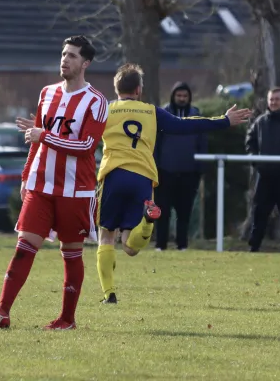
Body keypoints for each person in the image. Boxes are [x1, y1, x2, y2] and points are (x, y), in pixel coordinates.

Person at [0, 35, 108, 330]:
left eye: (73, 56)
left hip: (76, 189)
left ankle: (67, 319)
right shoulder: (47, 93)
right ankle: (2, 311)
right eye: (63, 54)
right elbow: (36, 142)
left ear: (86, 63)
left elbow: (87, 145)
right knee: (24, 246)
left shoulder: (97, 101)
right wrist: (27, 175)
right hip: (40, 185)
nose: (65, 59)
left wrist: (44, 135)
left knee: (71, 252)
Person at [97, 63, 251, 304]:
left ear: (116, 88)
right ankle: (148, 223)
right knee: (130, 246)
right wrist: (223, 120)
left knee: (106, 236)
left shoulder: (105, 110)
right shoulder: (151, 112)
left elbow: (79, 130)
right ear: (138, 90)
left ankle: (109, 294)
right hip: (142, 177)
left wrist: (42, 130)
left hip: (114, 175)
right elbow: (186, 125)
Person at [154, 82, 207, 251]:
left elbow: (202, 143)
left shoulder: (196, 115)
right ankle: (160, 245)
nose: (182, 99)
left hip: (189, 172)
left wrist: (200, 169)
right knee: (162, 211)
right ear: (173, 96)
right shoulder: (162, 114)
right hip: (165, 171)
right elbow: (155, 143)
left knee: (184, 212)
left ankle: (182, 245)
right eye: (179, 96)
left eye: (185, 96)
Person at [246, 86, 280, 253]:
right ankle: (253, 248)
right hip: (265, 177)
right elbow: (251, 141)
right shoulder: (261, 122)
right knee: (259, 214)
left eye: (277, 99)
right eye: (271, 99)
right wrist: (256, 162)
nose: (274, 102)